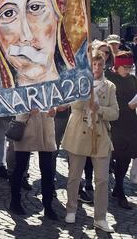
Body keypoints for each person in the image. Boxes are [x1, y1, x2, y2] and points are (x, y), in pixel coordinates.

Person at [62, 50, 119, 232]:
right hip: (79, 131)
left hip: (100, 134)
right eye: (93, 64)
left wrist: (100, 109)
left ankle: (100, 217)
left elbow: (115, 112)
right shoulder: (79, 81)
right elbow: (74, 104)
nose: (96, 68)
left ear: (104, 65)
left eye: (100, 64)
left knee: (102, 179)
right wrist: (86, 96)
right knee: (74, 176)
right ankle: (71, 208)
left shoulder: (109, 86)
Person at [9, 108, 58, 220]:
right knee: (20, 168)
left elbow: (53, 100)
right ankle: (15, 202)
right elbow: (16, 103)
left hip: (46, 128)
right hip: (26, 129)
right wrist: (26, 112)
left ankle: (48, 205)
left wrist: (53, 111)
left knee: (47, 170)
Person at [105, 51, 137, 209]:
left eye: (130, 67)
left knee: (125, 158)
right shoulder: (109, 78)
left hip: (130, 123)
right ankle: (119, 189)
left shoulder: (132, 79)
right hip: (114, 123)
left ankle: (119, 188)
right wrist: (127, 106)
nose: (128, 70)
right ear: (117, 66)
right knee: (115, 156)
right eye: (125, 67)